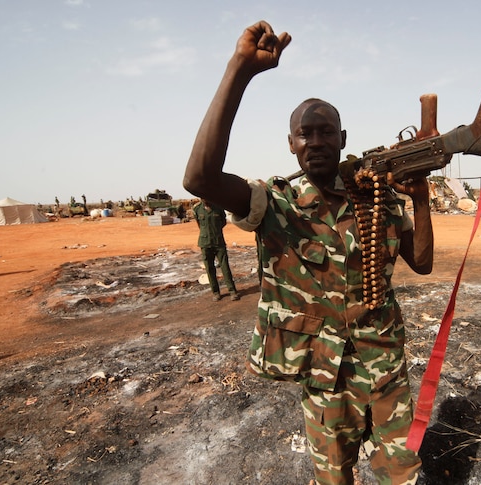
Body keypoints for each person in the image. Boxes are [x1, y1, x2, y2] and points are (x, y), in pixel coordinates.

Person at [182, 20, 434, 485]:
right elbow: (198, 179)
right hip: (324, 375)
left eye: (326, 132)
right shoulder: (273, 203)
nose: (316, 141)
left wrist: (420, 197)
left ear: (342, 138)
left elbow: (423, 263)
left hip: (384, 368)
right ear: (291, 144)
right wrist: (241, 70)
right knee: (333, 478)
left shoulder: (375, 194)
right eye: (305, 133)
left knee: (402, 474)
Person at [192, 198, 239, 301]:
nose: (204, 199)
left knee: (225, 267)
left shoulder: (218, 208)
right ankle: (216, 293)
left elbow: (223, 222)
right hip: (205, 243)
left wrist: (215, 231)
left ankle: (232, 291)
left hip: (219, 242)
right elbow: (199, 224)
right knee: (209, 269)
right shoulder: (197, 209)